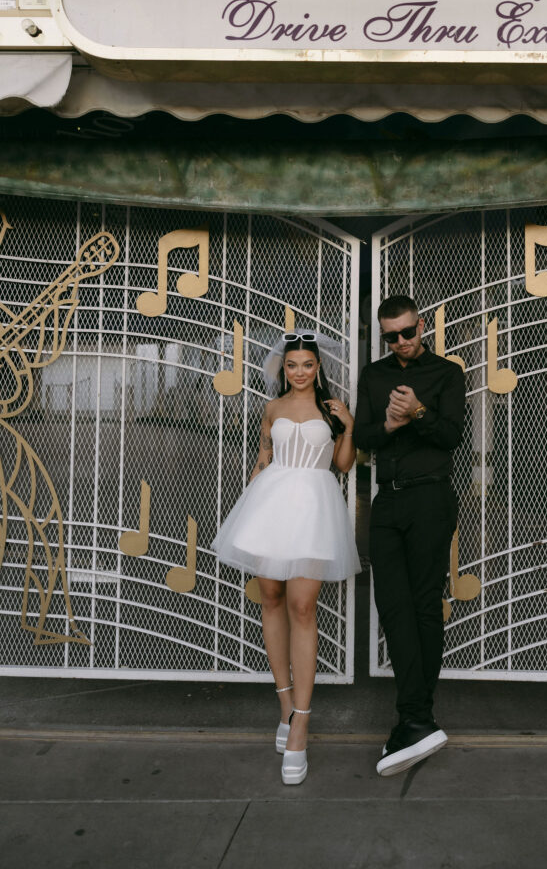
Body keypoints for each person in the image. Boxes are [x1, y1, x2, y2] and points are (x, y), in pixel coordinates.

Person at [211, 330, 360, 786]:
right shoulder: (271, 408)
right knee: (271, 597)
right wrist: (248, 509)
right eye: (292, 365)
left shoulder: (332, 410)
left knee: (302, 606)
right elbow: (263, 458)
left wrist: (349, 426)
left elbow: (344, 465)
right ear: (283, 368)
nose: (299, 372)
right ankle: (284, 703)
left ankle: (302, 720)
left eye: (307, 365)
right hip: (270, 505)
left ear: (318, 368)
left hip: (314, 509)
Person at [353, 295, 465, 777]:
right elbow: (362, 437)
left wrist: (418, 412)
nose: (400, 342)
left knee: (422, 606)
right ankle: (418, 719)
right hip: (388, 500)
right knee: (392, 608)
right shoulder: (375, 375)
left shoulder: (447, 374)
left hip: (430, 498)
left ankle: (413, 720)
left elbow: (453, 436)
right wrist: (391, 422)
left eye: (407, 332)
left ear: (422, 327)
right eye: (390, 336)